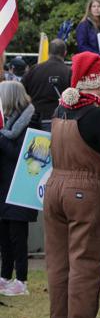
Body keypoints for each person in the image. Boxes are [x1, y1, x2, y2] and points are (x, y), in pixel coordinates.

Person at [44, 52, 100, 318]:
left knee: (59, 261)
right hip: (86, 191)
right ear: (92, 84)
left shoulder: (60, 110)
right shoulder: (97, 115)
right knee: (86, 261)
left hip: (55, 188)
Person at [0, 82, 36, 297]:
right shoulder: (10, 122)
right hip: (5, 185)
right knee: (4, 235)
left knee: (18, 235)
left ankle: (21, 280)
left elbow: (23, 153)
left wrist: (1, 138)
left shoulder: (31, 119)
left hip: (21, 186)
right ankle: (5, 276)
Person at [21, 39, 71, 131]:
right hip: (58, 119)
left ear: (48, 52)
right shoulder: (68, 72)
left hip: (33, 119)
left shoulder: (33, 69)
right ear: (65, 53)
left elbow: (21, 91)